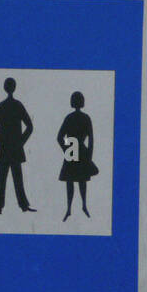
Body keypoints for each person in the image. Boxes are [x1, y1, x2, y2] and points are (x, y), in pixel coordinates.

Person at [0, 76, 37, 215]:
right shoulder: (17, 105)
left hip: (7, 148)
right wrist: (20, 141)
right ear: (13, 88)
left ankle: (2, 207)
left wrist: (0, 139)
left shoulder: (1, 106)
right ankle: (20, 206)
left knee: (5, 178)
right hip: (13, 148)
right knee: (13, 178)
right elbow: (29, 127)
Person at [57, 90, 98, 221]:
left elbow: (59, 137)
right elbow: (91, 139)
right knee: (81, 181)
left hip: (72, 149)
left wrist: (66, 148)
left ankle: (70, 208)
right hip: (82, 151)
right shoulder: (86, 118)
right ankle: (82, 205)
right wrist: (89, 155)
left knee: (71, 181)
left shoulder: (69, 118)